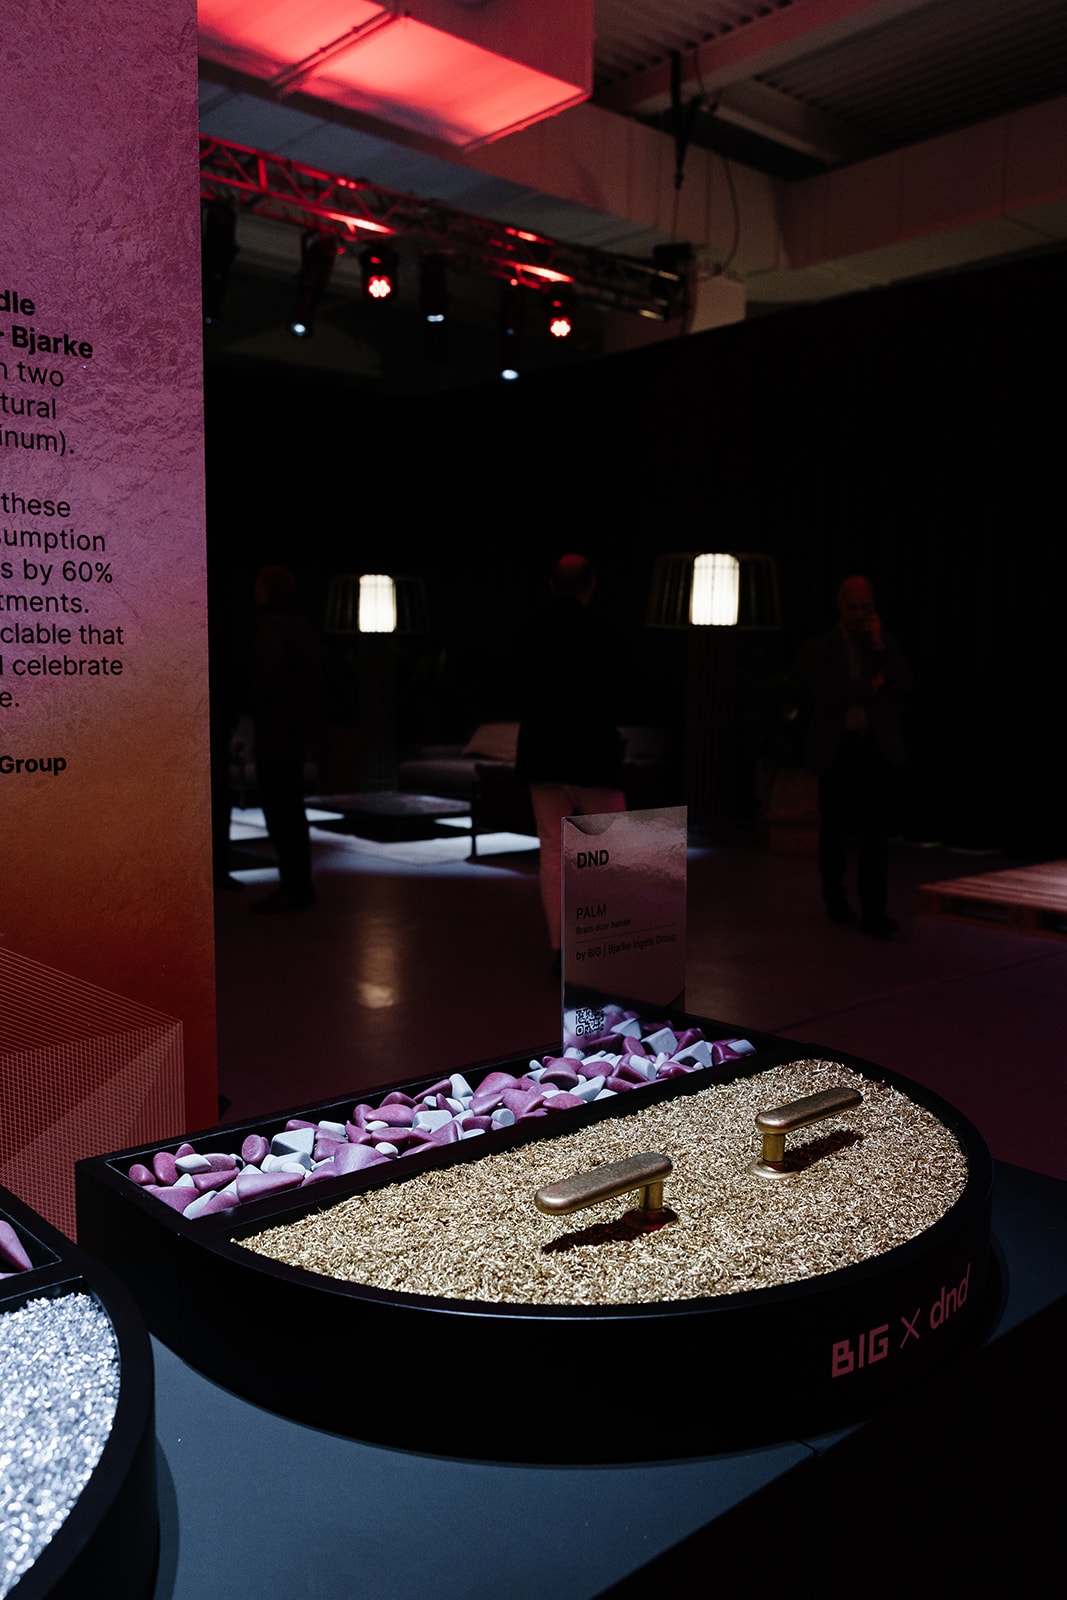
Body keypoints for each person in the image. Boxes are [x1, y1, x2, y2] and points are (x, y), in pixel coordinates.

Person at [515, 554, 626, 970]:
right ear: (592, 584)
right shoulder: (604, 631)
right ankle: (605, 945)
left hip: (542, 754)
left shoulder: (530, 630)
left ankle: (562, 951)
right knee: (611, 853)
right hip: (593, 755)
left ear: (551, 585)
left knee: (552, 852)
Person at [798, 575, 912, 937]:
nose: (860, 614)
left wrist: (879, 646)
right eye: (853, 607)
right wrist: (869, 687)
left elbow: (904, 685)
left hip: (873, 748)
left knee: (875, 834)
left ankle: (875, 911)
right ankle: (836, 901)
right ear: (840, 605)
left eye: (866, 607)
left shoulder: (883, 644)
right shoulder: (820, 647)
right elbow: (824, 693)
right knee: (833, 831)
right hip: (838, 748)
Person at [249, 565, 322, 913]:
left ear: (267, 590)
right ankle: (299, 884)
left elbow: (265, 680)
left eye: (259, 585)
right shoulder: (301, 628)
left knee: (279, 812)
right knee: (292, 810)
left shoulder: (270, 628)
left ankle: (292, 887)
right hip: (295, 733)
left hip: (275, 733)